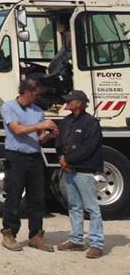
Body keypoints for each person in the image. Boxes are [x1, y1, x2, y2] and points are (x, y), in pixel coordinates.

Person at [0, 78, 57, 252]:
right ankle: (9, 234)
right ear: (27, 91)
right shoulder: (9, 107)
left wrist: (49, 135)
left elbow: (39, 137)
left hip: (34, 157)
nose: (38, 97)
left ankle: (36, 236)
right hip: (16, 157)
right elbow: (17, 130)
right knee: (14, 196)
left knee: (37, 198)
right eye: (36, 94)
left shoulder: (38, 111)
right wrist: (41, 125)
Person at [56, 90, 105, 259]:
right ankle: (76, 240)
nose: (67, 103)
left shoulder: (91, 123)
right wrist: (62, 159)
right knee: (74, 206)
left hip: (84, 171)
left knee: (91, 208)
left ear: (79, 103)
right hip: (69, 171)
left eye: (70, 100)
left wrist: (68, 161)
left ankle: (97, 244)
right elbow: (59, 143)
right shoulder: (66, 121)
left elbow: (89, 148)